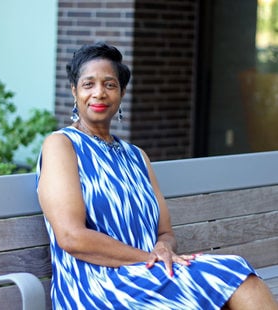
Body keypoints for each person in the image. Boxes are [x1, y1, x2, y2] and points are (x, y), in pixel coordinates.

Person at [36, 42, 278, 309]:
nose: (99, 93)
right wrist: (147, 258)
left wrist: (164, 248)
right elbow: (72, 238)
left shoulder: (137, 156)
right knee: (234, 274)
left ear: (122, 92)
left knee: (238, 273)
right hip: (96, 286)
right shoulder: (62, 145)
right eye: (88, 84)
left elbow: (165, 232)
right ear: (74, 91)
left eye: (109, 84)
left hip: (148, 274)